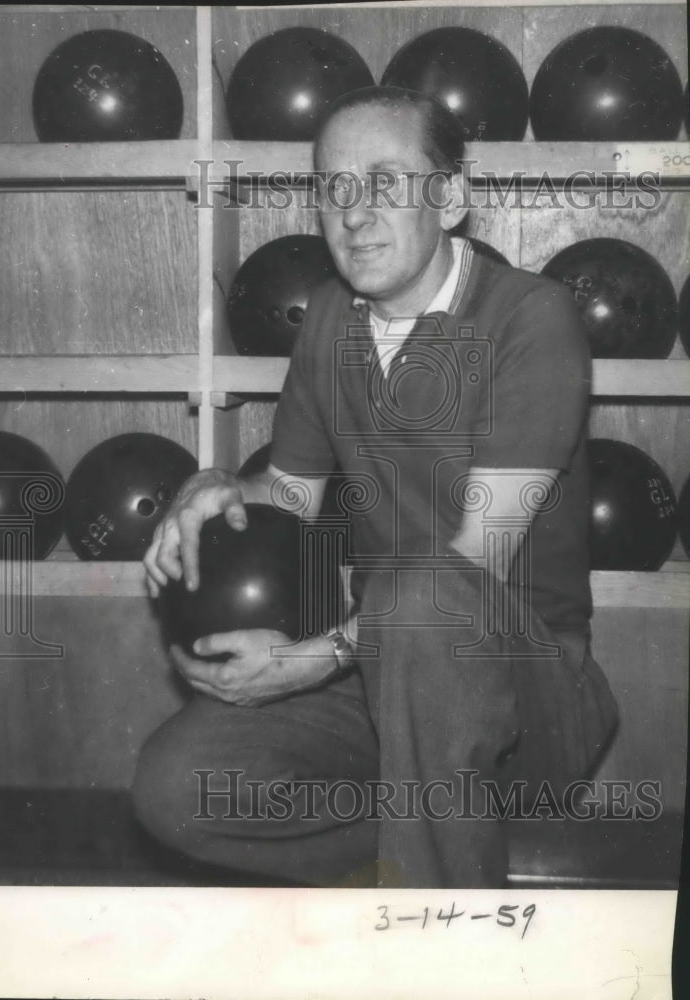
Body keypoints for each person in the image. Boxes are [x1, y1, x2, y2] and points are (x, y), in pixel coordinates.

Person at [134, 86, 618, 888]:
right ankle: (432, 841)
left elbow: (471, 568)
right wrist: (210, 488)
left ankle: (442, 941)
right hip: (377, 675)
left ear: (452, 197)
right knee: (177, 789)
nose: (353, 211)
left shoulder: (533, 318)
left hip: (527, 693)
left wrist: (311, 658)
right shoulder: (329, 319)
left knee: (427, 594)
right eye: (333, 186)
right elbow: (290, 495)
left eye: (386, 181)